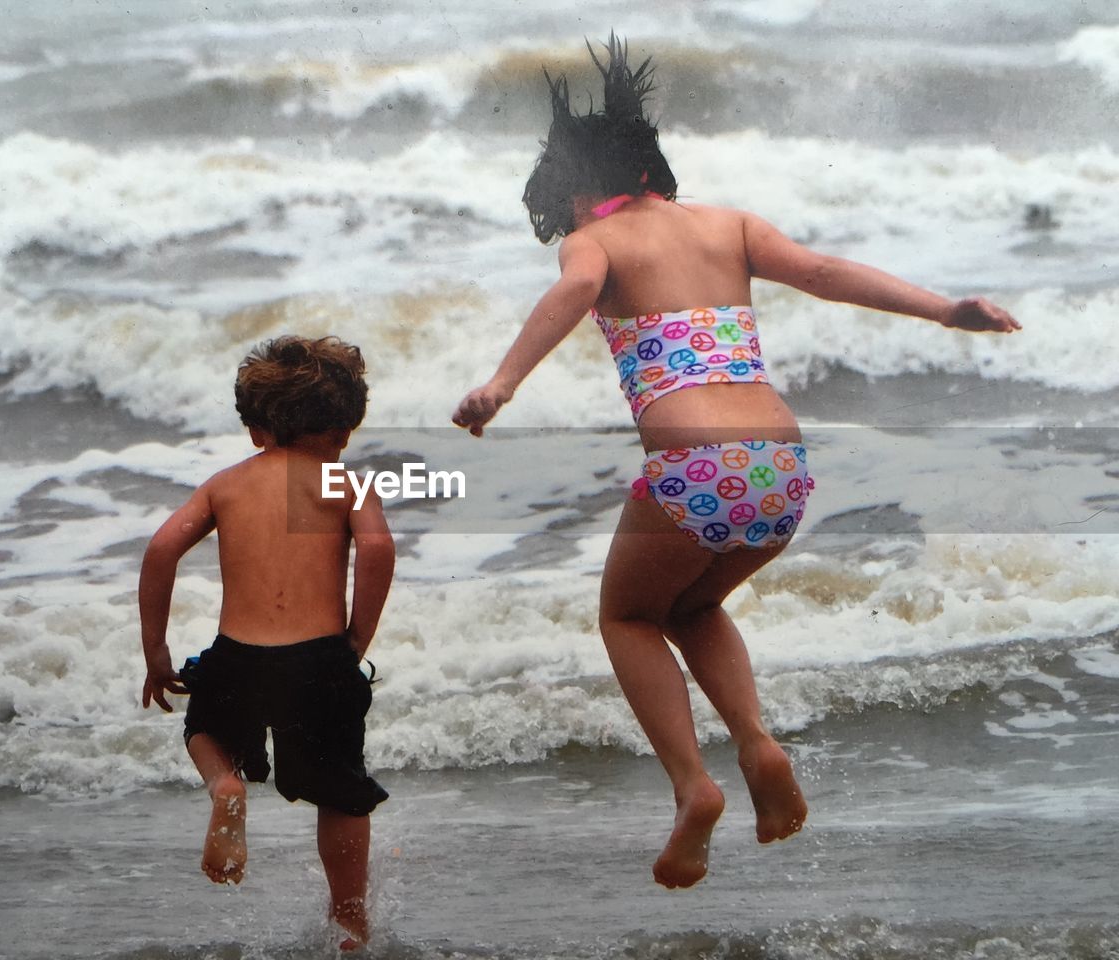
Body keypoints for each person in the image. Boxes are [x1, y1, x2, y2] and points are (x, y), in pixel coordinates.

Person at [452, 35, 1020, 890]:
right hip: (781, 469)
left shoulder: (593, 242)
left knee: (626, 617)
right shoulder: (730, 225)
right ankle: (756, 742)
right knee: (692, 601)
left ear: (578, 191)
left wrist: (501, 383)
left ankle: (694, 787)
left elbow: (572, 292)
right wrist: (946, 310)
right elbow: (826, 273)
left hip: (694, 467)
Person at [139, 335, 395, 949]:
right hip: (320, 661)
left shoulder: (225, 484)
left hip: (239, 658)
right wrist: (355, 638)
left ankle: (225, 786)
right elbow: (379, 549)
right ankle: (351, 920)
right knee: (341, 791)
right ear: (344, 427)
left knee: (205, 732)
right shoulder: (343, 485)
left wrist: (156, 651)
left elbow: (161, 549)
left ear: (258, 429)